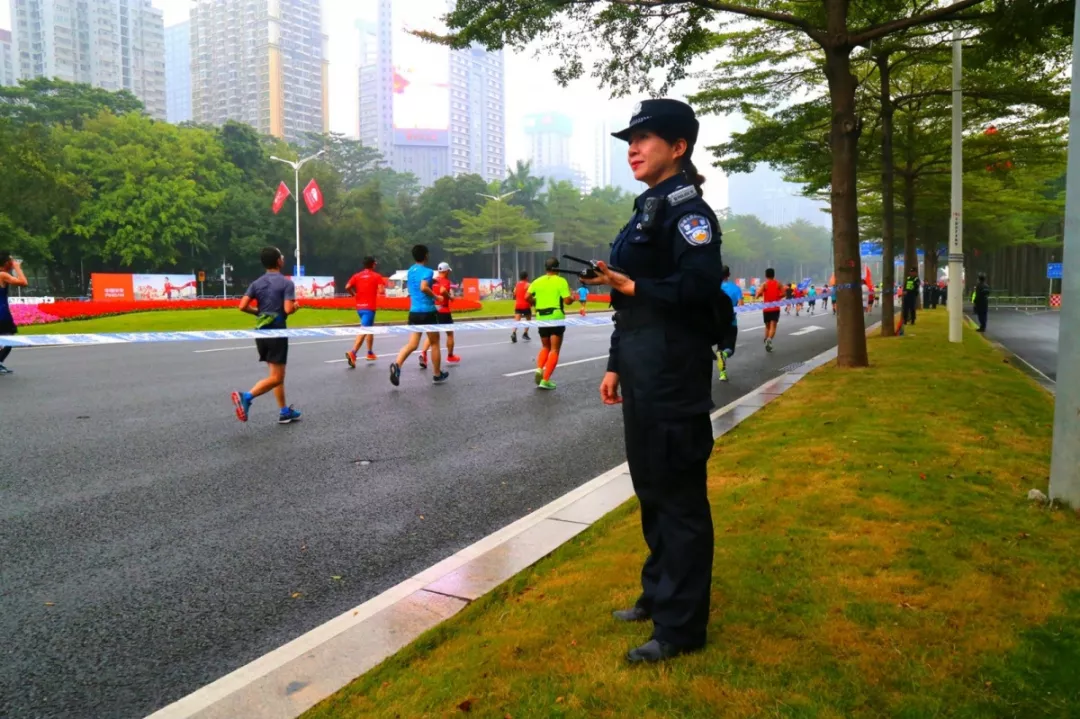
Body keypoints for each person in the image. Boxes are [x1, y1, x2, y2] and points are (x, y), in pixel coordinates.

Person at [585, 98, 724, 663]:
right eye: (629, 141)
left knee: (680, 498)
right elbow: (628, 304)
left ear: (679, 147)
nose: (633, 149)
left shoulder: (690, 214)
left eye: (644, 139)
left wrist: (633, 286)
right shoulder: (647, 208)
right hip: (641, 368)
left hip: (673, 372)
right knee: (651, 489)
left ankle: (681, 628)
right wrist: (615, 363)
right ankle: (658, 593)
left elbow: (699, 289)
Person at [230, 247, 302, 424]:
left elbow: (242, 306)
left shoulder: (256, 283)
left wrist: (259, 312)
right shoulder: (286, 283)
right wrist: (295, 307)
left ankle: (284, 411)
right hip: (277, 332)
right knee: (277, 377)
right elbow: (287, 309)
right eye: (281, 256)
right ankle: (246, 396)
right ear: (278, 261)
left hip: (261, 332)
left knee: (275, 375)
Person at [389, 244, 447, 385]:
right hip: (428, 312)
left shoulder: (410, 271)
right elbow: (423, 287)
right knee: (434, 343)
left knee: (412, 344)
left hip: (414, 312)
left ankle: (397, 365)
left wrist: (432, 281)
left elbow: (418, 283)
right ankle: (437, 374)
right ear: (426, 255)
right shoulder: (428, 271)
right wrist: (437, 297)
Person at [528, 257, 575, 390]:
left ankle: (539, 368)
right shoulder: (561, 281)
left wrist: (535, 303)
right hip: (556, 316)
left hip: (541, 317)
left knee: (545, 346)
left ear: (546, 268)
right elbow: (567, 301)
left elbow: (527, 296)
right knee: (554, 349)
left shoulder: (537, 281)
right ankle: (545, 380)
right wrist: (573, 297)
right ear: (557, 268)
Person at [344, 256, 387, 367]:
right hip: (369, 307)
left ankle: (370, 352)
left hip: (360, 307)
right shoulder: (377, 276)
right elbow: (381, 291)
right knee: (364, 330)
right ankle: (353, 353)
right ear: (373, 264)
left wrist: (354, 294)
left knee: (369, 328)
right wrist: (378, 288)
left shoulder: (357, 276)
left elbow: (347, 286)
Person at [419, 262, 461, 365]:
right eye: (448, 271)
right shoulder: (446, 281)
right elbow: (442, 291)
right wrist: (450, 297)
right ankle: (450, 356)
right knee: (450, 334)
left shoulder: (433, 281)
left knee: (432, 334)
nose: (449, 273)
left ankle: (423, 353)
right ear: (446, 271)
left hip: (433, 309)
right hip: (444, 310)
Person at [0, 252, 29, 374]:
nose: (13, 263)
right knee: (9, 339)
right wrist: (17, 267)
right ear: (7, 262)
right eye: (11, 261)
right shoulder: (2, 275)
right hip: (2, 313)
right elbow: (23, 282)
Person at [718, 265, 742, 381]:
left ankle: (722, 374)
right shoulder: (735, 288)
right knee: (729, 349)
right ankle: (724, 355)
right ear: (729, 274)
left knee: (720, 347)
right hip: (731, 322)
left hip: (717, 323)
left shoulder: (714, 287)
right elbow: (741, 305)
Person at [756, 268, 784, 352]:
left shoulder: (764, 284)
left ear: (766, 275)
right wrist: (777, 297)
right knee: (773, 326)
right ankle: (769, 339)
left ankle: (766, 339)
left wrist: (761, 294)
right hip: (775, 308)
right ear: (774, 275)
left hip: (766, 309)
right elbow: (784, 293)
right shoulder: (778, 284)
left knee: (767, 326)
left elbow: (757, 295)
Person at [510, 271, 532, 343]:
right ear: (526, 277)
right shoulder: (528, 285)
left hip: (518, 305)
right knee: (528, 320)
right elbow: (530, 294)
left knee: (517, 321)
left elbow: (514, 294)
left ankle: (513, 333)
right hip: (526, 305)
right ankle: (525, 333)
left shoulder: (517, 284)